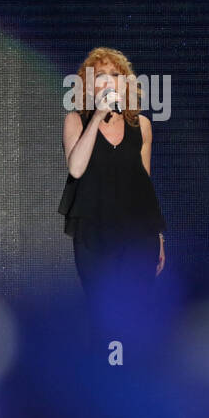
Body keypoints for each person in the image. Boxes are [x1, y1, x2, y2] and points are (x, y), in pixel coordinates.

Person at [59, 48, 166, 337]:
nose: (107, 82)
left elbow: (145, 181)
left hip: (138, 232)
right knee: (101, 310)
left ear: (125, 83)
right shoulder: (76, 121)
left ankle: (136, 371)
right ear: (89, 84)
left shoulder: (141, 125)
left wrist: (158, 236)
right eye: (100, 76)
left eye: (115, 76)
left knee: (138, 309)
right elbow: (76, 169)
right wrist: (96, 118)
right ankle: (105, 370)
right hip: (94, 232)